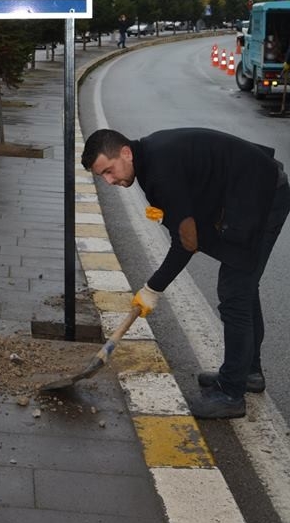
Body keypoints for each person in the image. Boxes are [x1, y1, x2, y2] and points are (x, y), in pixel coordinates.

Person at [81, 127, 290, 419]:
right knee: (242, 285)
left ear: (125, 153)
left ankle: (231, 393)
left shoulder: (159, 170)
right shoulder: (149, 161)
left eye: (109, 171)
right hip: (247, 190)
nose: (109, 181)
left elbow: (186, 244)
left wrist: (153, 288)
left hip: (264, 195)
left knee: (235, 292)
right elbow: (183, 223)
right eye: (102, 176)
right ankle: (247, 371)